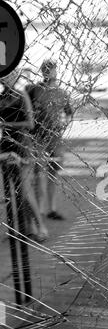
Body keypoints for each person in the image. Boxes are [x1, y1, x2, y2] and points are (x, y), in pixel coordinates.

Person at [0, 72, 49, 241]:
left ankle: (41, 227)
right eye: (3, 77)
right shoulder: (0, 99)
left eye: (9, 76)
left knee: (26, 190)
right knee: (12, 191)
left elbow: (30, 123)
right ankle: (24, 228)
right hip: (5, 148)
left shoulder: (21, 96)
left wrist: (6, 125)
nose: (5, 79)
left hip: (23, 146)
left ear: (15, 77)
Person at [26, 59, 73, 220]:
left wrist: (64, 125)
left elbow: (69, 113)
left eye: (50, 69)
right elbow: (27, 110)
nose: (48, 72)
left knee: (53, 173)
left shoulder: (62, 92)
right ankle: (38, 211)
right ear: (41, 71)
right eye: (45, 69)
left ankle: (51, 209)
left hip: (55, 138)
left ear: (55, 71)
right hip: (38, 138)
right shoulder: (35, 90)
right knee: (39, 173)